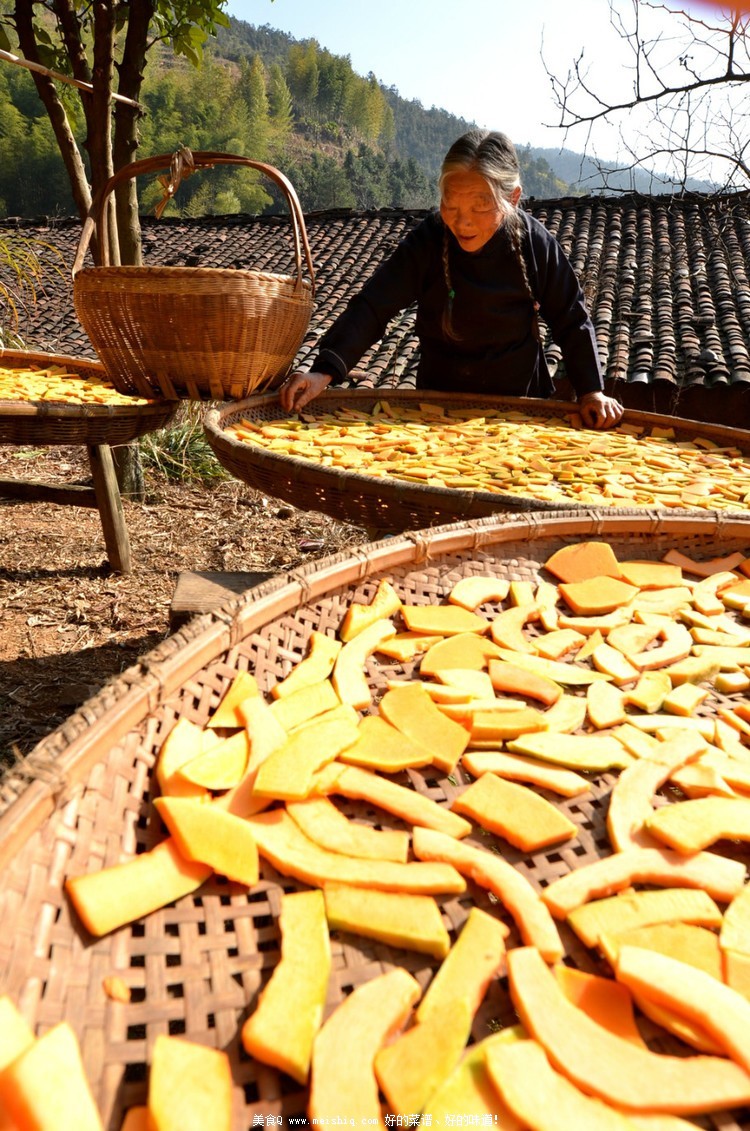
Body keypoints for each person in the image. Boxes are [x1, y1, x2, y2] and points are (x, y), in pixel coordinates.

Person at [280, 129, 623, 430]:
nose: (464, 222)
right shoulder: (429, 240)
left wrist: (592, 390)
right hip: (437, 407)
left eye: (480, 205)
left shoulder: (535, 244)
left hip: (520, 407)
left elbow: (571, 318)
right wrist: (324, 371)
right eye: (451, 205)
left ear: (513, 199)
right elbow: (374, 305)